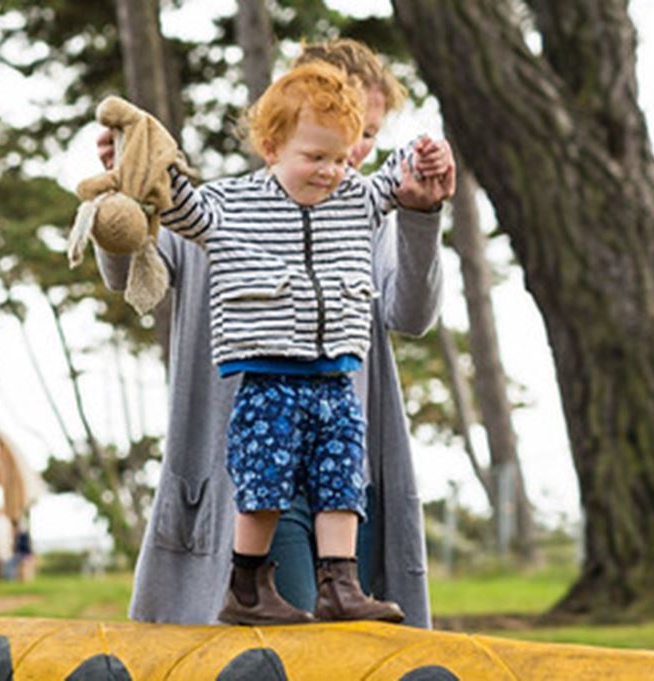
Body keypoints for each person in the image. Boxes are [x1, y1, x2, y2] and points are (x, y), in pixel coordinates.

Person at [96, 39, 454, 628]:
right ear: (283, 129)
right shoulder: (230, 211)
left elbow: (410, 315)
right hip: (252, 465)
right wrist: (124, 188)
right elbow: (134, 273)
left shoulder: (359, 211)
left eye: (366, 133)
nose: (351, 152)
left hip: (346, 474)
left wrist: (422, 215)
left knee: (352, 649)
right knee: (291, 645)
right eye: (336, 132)